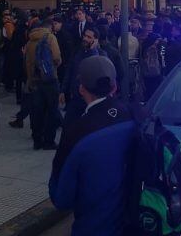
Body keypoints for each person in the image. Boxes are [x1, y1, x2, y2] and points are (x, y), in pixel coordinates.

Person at [50, 56, 136, 236]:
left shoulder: (76, 134)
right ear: (114, 86)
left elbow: (61, 198)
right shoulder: (136, 116)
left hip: (93, 228)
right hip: (133, 223)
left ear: (81, 88)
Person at [24, 18, 62, 150]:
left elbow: (28, 63)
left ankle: (37, 140)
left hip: (35, 81)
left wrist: (30, 79)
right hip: (50, 80)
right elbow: (57, 58)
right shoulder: (50, 38)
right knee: (51, 111)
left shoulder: (29, 41)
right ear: (49, 28)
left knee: (36, 112)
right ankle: (48, 141)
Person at [60, 27, 108, 130]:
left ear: (95, 40)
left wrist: (92, 51)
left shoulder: (101, 54)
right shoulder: (77, 52)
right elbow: (69, 71)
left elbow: (98, 71)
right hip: (76, 97)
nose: (85, 39)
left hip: (91, 100)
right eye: (84, 36)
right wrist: (63, 90)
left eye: (89, 37)